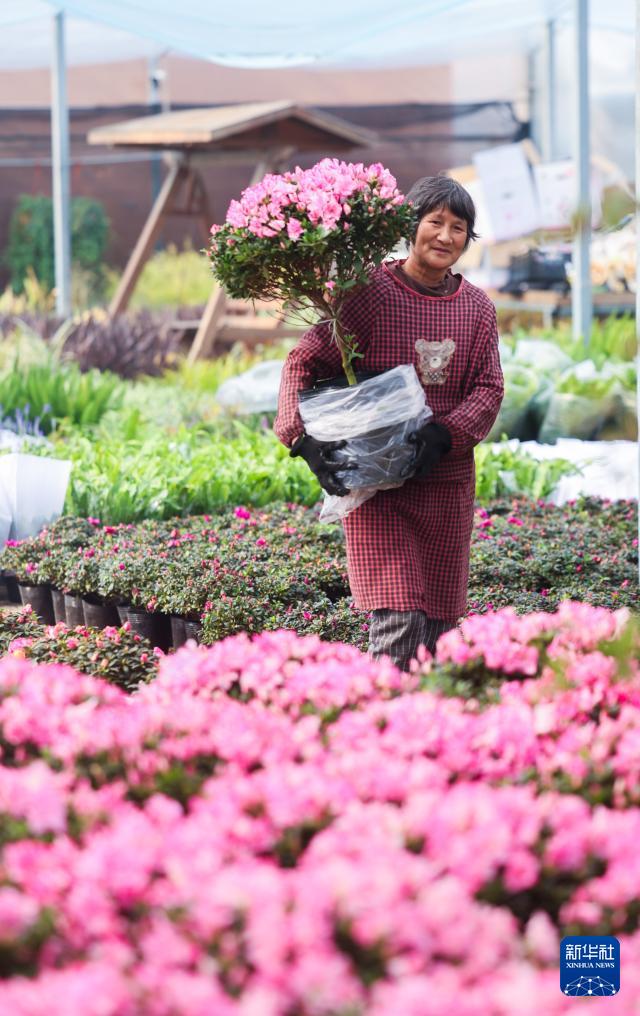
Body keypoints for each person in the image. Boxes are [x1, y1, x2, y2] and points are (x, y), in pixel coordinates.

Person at [274, 175, 504, 670]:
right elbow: (304, 362)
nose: (444, 237)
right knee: (400, 620)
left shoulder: (477, 309)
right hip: (377, 489)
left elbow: (489, 388)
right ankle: (384, 729)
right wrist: (302, 438)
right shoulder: (369, 292)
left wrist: (445, 433)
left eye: (458, 228)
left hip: (445, 484)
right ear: (411, 227)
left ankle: (435, 735)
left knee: (441, 631)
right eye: (434, 223)